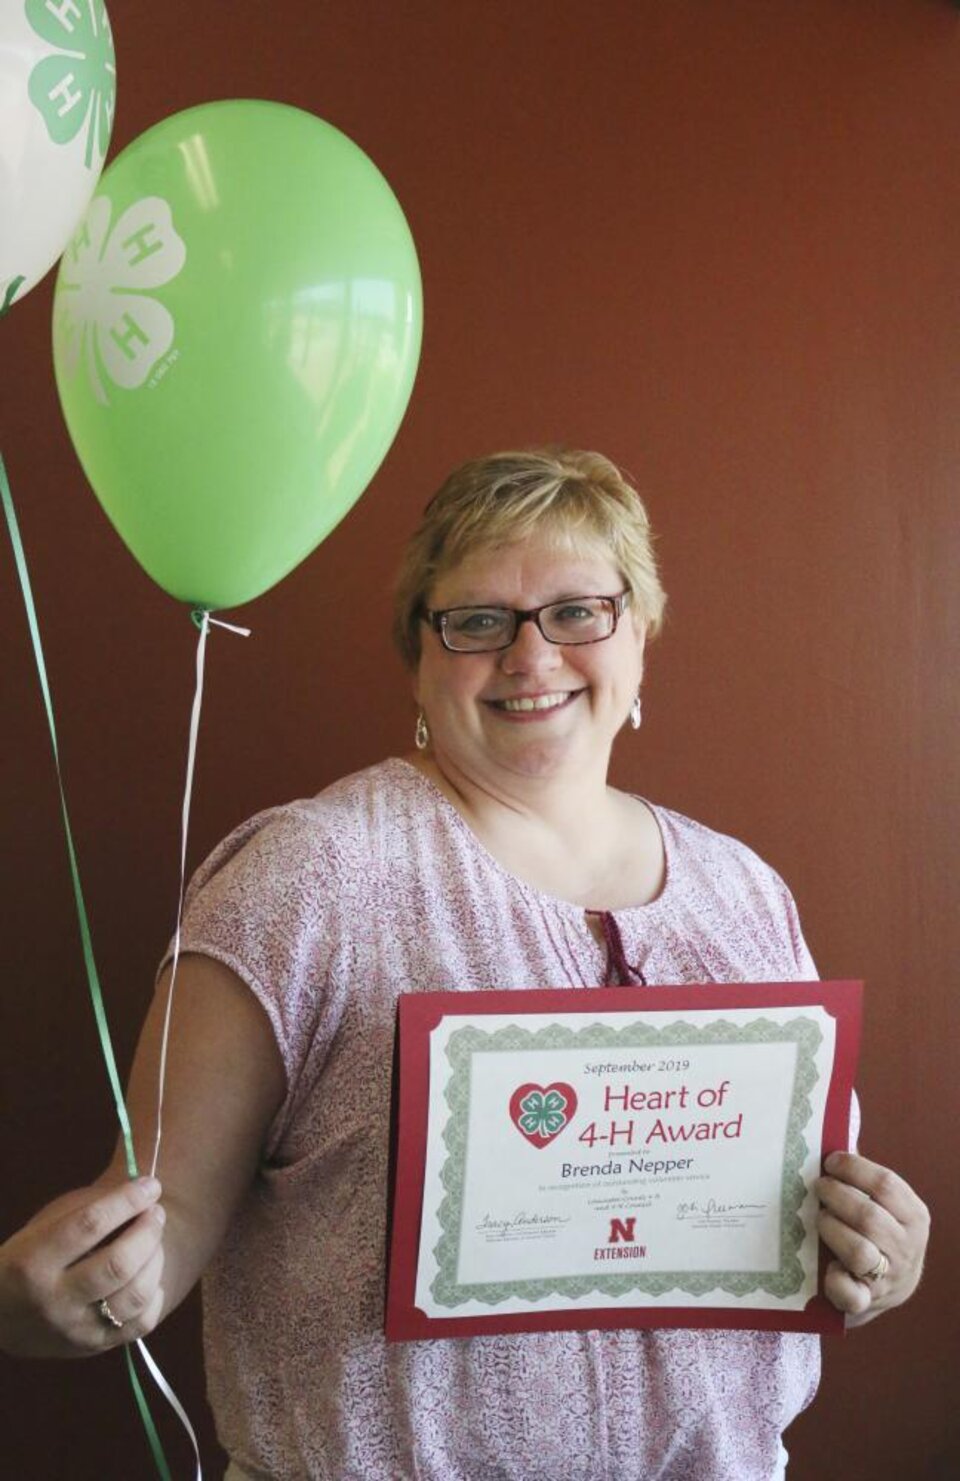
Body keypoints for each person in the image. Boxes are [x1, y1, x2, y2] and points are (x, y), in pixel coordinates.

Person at [0, 449, 929, 1480]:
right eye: (479, 621)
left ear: (640, 638)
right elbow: (151, 1234)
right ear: (419, 658)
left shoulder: (743, 890)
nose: (531, 658)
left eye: (578, 610)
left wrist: (882, 1250)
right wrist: (45, 1301)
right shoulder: (313, 873)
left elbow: (809, 1212)